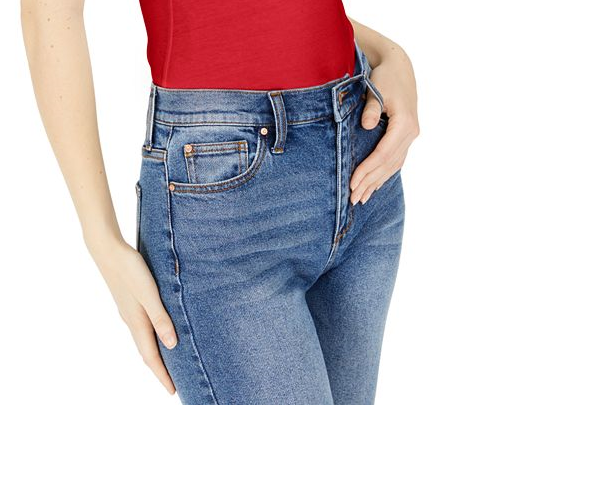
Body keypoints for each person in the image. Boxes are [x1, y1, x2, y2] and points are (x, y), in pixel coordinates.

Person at [21, 0, 419, 405]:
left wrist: (388, 53)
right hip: (225, 200)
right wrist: (102, 238)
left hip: (362, 158)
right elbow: (49, 12)